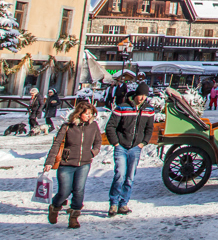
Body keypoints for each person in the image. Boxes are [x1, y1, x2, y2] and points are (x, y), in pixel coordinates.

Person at [44, 100, 101, 229]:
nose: (89, 116)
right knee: (64, 191)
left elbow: (98, 142)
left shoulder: (93, 126)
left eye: (91, 114)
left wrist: (93, 152)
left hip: (84, 163)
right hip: (66, 163)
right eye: (87, 114)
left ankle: (74, 217)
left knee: (79, 190)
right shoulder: (68, 126)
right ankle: (55, 207)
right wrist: (49, 161)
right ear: (79, 113)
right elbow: (57, 144)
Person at [105, 83, 155, 217]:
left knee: (130, 177)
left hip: (135, 147)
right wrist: (115, 143)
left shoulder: (149, 110)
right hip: (121, 146)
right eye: (141, 95)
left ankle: (124, 203)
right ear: (136, 94)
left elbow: (149, 128)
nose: (142, 98)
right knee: (120, 175)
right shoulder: (122, 107)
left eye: (145, 96)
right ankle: (113, 203)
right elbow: (110, 126)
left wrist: (143, 142)